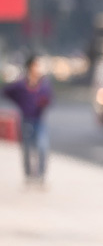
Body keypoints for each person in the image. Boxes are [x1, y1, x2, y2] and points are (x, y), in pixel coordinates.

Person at [3, 54, 52, 187]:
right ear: (30, 67)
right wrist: (20, 103)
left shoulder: (44, 84)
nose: (39, 68)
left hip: (39, 120)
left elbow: (49, 98)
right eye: (37, 65)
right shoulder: (21, 84)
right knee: (27, 149)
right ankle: (28, 175)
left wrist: (44, 102)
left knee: (42, 147)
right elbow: (7, 91)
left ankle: (40, 176)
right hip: (26, 120)